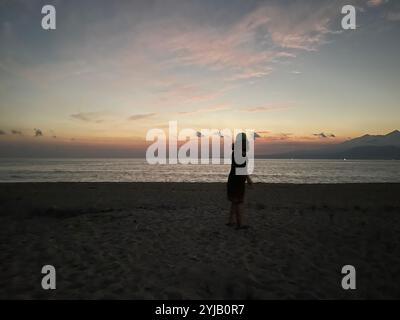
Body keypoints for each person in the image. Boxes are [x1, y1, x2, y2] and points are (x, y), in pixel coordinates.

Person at [226, 133, 253, 229]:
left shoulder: (238, 152)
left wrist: (247, 178)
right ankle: (239, 224)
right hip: (236, 181)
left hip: (236, 180)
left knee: (235, 201)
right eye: (245, 141)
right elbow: (241, 169)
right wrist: (249, 179)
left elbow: (242, 169)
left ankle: (230, 221)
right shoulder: (238, 153)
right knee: (238, 202)